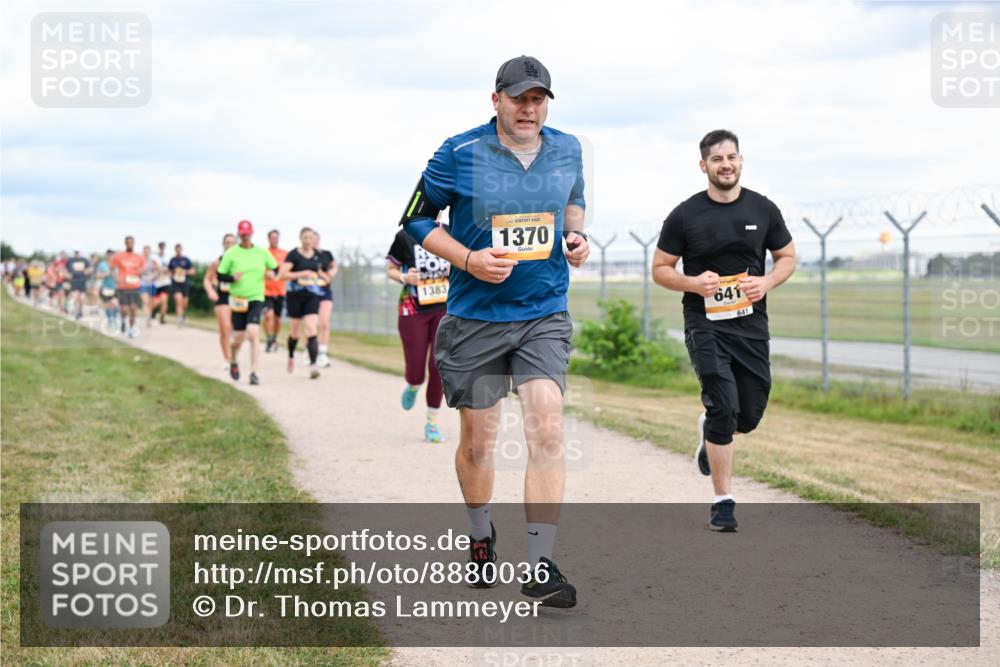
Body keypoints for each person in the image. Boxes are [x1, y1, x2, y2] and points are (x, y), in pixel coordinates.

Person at [402, 55, 590, 607]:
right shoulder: (458, 153)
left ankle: (541, 565)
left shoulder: (568, 148)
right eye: (519, 98)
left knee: (547, 431)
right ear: (497, 100)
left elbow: (573, 202)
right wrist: (468, 259)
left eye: (538, 99)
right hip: (476, 319)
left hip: (543, 314)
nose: (529, 108)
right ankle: (481, 533)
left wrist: (576, 239)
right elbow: (414, 220)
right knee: (479, 445)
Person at [652, 129, 797, 533]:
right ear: (704, 166)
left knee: (747, 416)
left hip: (751, 324)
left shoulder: (763, 209)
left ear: (741, 161)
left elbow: (787, 257)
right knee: (722, 404)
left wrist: (765, 283)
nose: (726, 164)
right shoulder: (685, 215)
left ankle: (710, 432)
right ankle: (723, 502)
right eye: (717, 159)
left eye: (731, 157)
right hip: (705, 324)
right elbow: (660, 270)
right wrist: (694, 283)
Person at [386, 219, 450, 443]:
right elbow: (391, 269)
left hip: (445, 307)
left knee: (438, 365)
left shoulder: (451, 231)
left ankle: (432, 422)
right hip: (412, 308)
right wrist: (404, 277)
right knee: (416, 370)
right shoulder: (406, 235)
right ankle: (413, 384)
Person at [217, 220, 278, 386]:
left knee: (253, 332)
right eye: (242, 234)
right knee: (238, 339)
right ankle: (234, 361)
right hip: (238, 299)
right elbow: (220, 275)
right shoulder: (231, 253)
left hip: (256, 297)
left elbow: (274, 267)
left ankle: (254, 372)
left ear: (252, 233)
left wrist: (272, 273)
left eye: (247, 234)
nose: (245, 237)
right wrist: (232, 277)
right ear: (239, 234)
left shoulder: (261, 252)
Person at [278, 227, 328, 379]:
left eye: (310, 238)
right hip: (295, 296)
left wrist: (323, 278)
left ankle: (313, 366)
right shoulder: (293, 254)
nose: (307, 241)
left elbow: (318, 272)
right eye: (305, 238)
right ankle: (291, 355)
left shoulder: (318, 256)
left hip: (312, 296)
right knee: (295, 332)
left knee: (311, 328)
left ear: (314, 239)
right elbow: (282, 275)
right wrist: (302, 273)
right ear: (300, 238)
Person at [204, 234, 237, 370]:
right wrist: (211, 291)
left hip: (238, 297)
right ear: (223, 244)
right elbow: (207, 279)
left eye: (232, 243)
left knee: (238, 331)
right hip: (222, 298)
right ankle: (227, 358)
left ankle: (233, 355)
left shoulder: (241, 262)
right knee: (225, 328)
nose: (229, 245)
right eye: (227, 242)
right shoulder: (217, 262)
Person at [110, 236, 147, 337]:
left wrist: (141, 273)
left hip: (135, 286)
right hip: (123, 287)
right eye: (128, 242)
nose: (130, 244)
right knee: (124, 309)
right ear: (125, 243)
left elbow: (144, 269)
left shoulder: (139, 257)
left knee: (133, 308)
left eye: (131, 242)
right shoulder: (119, 256)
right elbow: (112, 269)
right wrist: (116, 278)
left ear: (134, 243)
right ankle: (122, 321)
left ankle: (131, 329)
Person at [313, 233, 338, 368]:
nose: (314, 241)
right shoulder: (306, 255)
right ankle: (310, 349)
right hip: (310, 293)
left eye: (316, 239)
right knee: (312, 324)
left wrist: (329, 273)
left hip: (325, 292)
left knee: (324, 323)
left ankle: (322, 353)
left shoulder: (327, 254)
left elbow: (333, 268)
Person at [263, 229, 288, 353]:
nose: (274, 239)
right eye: (272, 237)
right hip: (266, 291)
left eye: (276, 237)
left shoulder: (284, 254)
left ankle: (274, 338)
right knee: (268, 316)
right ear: (268, 239)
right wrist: (265, 272)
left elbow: (288, 270)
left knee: (277, 319)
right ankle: (268, 340)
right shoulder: (263, 253)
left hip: (280, 291)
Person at [168, 243, 194, 326]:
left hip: (185, 284)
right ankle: (179, 318)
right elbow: (169, 271)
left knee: (184, 303)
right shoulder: (172, 260)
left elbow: (193, 271)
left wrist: (185, 272)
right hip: (176, 284)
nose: (178, 250)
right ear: (175, 250)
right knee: (178, 300)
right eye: (176, 249)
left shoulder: (186, 260)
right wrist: (170, 275)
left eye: (179, 249)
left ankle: (184, 315)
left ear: (181, 249)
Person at [66, 250, 91, 320]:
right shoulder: (70, 260)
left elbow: (90, 268)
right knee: (75, 296)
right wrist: (67, 275)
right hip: (74, 281)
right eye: (75, 252)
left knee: (81, 298)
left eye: (78, 252)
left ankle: (80, 310)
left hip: (82, 281)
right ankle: (77, 312)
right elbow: (65, 269)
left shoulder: (84, 260)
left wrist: (87, 272)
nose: (76, 253)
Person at [139, 245, 159, 325]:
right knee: (145, 302)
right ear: (143, 252)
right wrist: (141, 272)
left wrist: (154, 276)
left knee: (151, 302)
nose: (146, 253)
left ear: (150, 252)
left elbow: (159, 271)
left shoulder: (153, 261)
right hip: (143, 283)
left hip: (151, 284)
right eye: (145, 251)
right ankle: (147, 318)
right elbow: (136, 271)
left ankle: (149, 316)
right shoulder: (140, 261)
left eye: (148, 251)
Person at [153, 241, 171, 324]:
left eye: (163, 246)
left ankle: (162, 318)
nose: (162, 248)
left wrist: (168, 272)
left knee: (164, 300)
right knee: (157, 301)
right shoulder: (155, 257)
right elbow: (155, 268)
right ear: (159, 247)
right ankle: (153, 311)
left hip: (166, 282)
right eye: (161, 246)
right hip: (157, 282)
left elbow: (170, 270)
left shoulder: (168, 257)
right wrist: (162, 269)